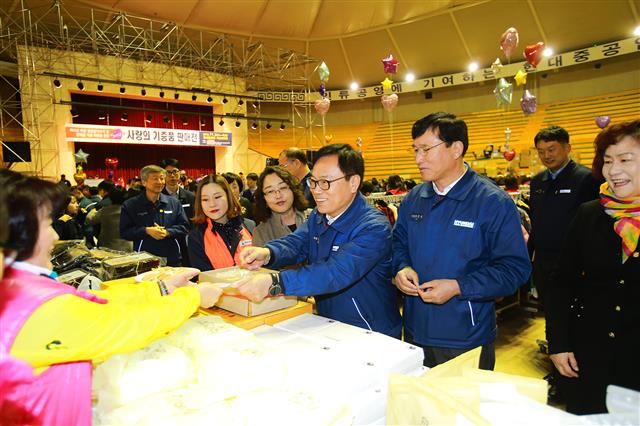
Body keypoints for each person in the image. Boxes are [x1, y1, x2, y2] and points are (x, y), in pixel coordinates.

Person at [0, 168, 222, 424]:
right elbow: (124, 326)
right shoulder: (24, 307)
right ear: (18, 233)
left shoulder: (19, 285)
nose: (55, 236)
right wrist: (192, 298)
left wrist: (161, 289)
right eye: (47, 225)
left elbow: (91, 304)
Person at [393, 112, 531, 369]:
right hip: (414, 331)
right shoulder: (414, 198)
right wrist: (402, 267)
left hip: (464, 337)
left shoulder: (491, 202)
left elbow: (514, 270)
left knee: (460, 407)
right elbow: (399, 243)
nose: (418, 159)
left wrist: (458, 287)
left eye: (425, 150)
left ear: (456, 148)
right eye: (415, 150)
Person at [238, 144, 401, 338]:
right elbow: (297, 242)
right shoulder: (319, 215)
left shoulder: (373, 227)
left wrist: (276, 282)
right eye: (313, 182)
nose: (316, 190)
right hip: (329, 323)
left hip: (369, 330)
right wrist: (268, 253)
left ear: (353, 182)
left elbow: (335, 272)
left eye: (326, 182)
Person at [547, 120, 640, 414]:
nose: (614, 170)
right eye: (608, 161)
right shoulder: (590, 214)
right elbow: (562, 282)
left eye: (626, 160)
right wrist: (558, 343)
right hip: (591, 357)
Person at [529, 125, 600, 313]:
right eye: (541, 152)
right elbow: (535, 221)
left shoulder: (587, 179)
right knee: (549, 311)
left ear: (567, 148)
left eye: (551, 149)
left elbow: (593, 225)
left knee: (573, 315)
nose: (546, 156)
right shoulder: (537, 182)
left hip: (573, 262)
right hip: (543, 262)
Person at [120, 165, 189, 266]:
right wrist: (146, 231)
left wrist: (167, 232)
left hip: (172, 258)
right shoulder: (131, 205)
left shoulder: (174, 203)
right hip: (144, 259)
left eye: (161, 178)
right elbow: (125, 232)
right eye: (155, 179)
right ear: (144, 182)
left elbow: (185, 226)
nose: (159, 182)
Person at [187, 175, 256, 271]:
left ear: (228, 196)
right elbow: (204, 277)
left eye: (217, 197)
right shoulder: (196, 237)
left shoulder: (250, 226)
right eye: (205, 199)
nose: (212, 204)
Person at [252, 166, 309, 247]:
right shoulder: (260, 232)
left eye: (283, 187)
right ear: (263, 198)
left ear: (293, 189)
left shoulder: (314, 217)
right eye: (270, 191)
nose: (278, 195)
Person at [161, 158, 196, 266]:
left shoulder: (190, 196)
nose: (172, 175)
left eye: (175, 172)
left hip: (188, 244)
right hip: (167, 243)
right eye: (168, 172)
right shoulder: (158, 197)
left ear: (180, 173)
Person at [86, 187, 133, 251]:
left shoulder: (105, 210)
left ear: (110, 197)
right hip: (126, 246)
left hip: (107, 247)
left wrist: (92, 211)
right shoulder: (130, 210)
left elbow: (90, 220)